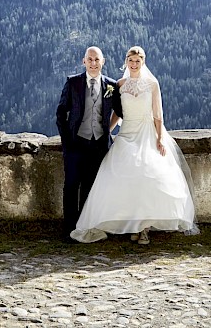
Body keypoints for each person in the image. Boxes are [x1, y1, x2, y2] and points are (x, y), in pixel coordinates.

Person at [71, 46, 198, 244]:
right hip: (126, 133)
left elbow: (158, 115)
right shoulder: (119, 84)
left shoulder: (152, 84)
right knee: (118, 177)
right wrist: (108, 130)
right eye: (131, 61)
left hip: (146, 133)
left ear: (143, 62)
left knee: (147, 178)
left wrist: (159, 138)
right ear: (126, 62)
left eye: (138, 61)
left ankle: (144, 228)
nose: (134, 64)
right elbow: (116, 112)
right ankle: (133, 225)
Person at [56, 46, 123, 241]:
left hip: (98, 145)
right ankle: (69, 230)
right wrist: (66, 140)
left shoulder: (111, 86)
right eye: (90, 59)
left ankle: (84, 228)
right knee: (70, 186)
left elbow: (119, 112)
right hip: (76, 144)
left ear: (103, 62)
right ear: (84, 61)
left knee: (90, 187)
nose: (93, 63)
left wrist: (108, 131)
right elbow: (61, 112)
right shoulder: (73, 83)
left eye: (97, 60)